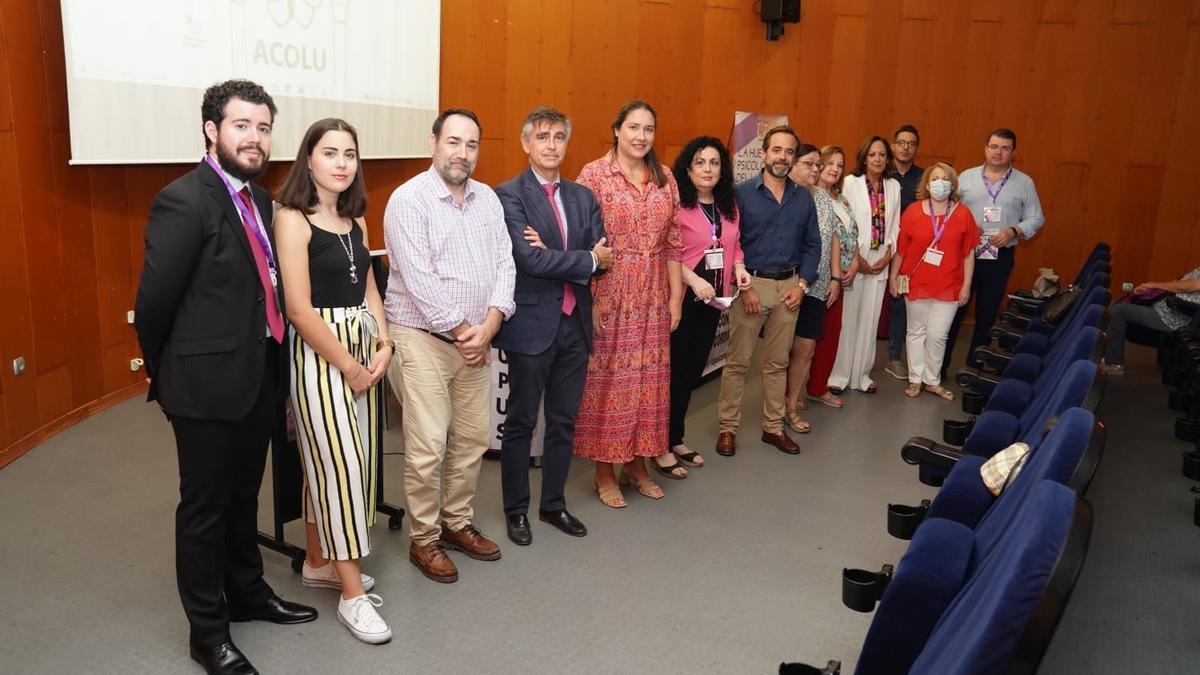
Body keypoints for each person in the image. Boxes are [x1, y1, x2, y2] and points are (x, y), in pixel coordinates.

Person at [134, 79, 317, 675]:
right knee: (205, 509)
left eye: (264, 127)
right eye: (242, 125)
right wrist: (168, 380)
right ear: (212, 130)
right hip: (204, 387)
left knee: (244, 498)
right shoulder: (184, 200)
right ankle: (207, 633)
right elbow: (154, 304)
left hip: (259, 374)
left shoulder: (261, 202)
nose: (256, 138)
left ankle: (249, 594)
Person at [383, 108, 516, 583]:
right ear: (433, 142)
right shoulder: (408, 200)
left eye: (472, 145)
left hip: (478, 340)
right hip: (422, 339)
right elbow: (419, 280)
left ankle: (456, 523)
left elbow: (506, 262)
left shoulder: (488, 200)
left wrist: (493, 321)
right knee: (427, 446)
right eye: (454, 142)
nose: (463, 153)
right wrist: (468, 333)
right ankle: (424, 539)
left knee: (473, 440)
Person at [273, 118, 391, 644]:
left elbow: (368, 288)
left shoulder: (354, 220)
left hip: (363, 349)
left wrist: (384, 343)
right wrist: (350, 365)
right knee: (339, 465)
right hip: (324, 355)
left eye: (350, 153)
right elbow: (298, 309)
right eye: (330, 152)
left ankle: (319, 562)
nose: (342, 163)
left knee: (344, 461)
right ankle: (351, 597)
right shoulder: (293, 219)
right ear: (309, 159)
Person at [493, 107, 611, 545]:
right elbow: (530, 260)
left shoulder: (583, 197)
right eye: (542, 137)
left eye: (559, 137)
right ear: (526, 144)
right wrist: (583, 258)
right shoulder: (508, 196)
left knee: (563, 421)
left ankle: (553, 506)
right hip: (530, 327)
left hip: (575, 325)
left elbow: (605, 258)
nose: (551, 145)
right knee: (522, 422)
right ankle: (516, 510)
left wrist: (567, 257)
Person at [574, 100, 684, 508]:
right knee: (609, 386)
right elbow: (582, 242)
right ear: (617, 129)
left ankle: (637, 464)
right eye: (633, 127)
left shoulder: (665, 177)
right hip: (610, 290)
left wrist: (675, 298)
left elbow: (674, 242)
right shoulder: (594, 175)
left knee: (648, 386)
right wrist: (590, 300)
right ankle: (604, 471)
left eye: (649, 129)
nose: (641, 136)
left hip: (654, 293)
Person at [715, 126, 821, 457]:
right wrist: (744, 285)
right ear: (764, 153)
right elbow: (731, 243)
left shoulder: (803, 197)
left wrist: (802, 285)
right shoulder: (740, 194)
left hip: (790, 288)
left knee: (777, 363)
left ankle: (773, 428)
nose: (782, 157)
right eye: (777, 150)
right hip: (751, 286)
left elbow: (812, 244)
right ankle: (727, 429)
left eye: (789, 152)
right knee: (738, 362)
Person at [668, 136, 750, 473]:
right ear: (688, 168)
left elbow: (736, 245)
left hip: (713, 301)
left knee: (691, 372)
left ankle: (675, 437)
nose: (707, 169)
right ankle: (658, 443)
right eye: (700, 162)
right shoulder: (676, 206)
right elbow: (666, 252)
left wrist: (740, 268)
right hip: (682, 299)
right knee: (672, 373)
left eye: (714, 163)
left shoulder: (728, 207)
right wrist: (692, 279)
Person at [942, 128, 1045, 379]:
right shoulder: (966, 178)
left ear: (1013, 152)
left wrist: (1014, 230)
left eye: (1005, 148)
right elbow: (947, 211)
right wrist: (964, 226)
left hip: (999, 257)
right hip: (964, 256)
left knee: (987, 315)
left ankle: (973, 368)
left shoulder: (1024, 182)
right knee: (953, 312)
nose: (998, 152)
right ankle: (938, 369)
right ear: (985, 148)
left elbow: (1037, 218)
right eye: (994, 146)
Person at [889, 163, 977, 400]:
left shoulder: (963, 214)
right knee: (915, 332)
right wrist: (893, 278)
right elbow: (901, 250)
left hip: (949, 284)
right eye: (936, 178)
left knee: (938, 334)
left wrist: (967, 285)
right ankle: (916, 379)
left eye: (946, 178)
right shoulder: (914, 211)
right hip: (916, 281)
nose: (941, 183)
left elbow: (969, 253)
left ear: (953, 185)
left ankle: (933, 380)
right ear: (927, 184)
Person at [829, 135, 900, 394]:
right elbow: (844, 222)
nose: (878, 159)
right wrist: (858, 259)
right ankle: (839, 375)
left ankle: (862, 375)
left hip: (880, 261)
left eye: (882, 155)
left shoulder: (894, 186)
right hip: (853, 261)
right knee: (849, 320)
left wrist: (888, 256)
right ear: (864, 157)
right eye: (872, 154)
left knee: (870, 322)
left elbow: (895, 226)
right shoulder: (849, 182)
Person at [783, 143, 831, 433]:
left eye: (818, 164)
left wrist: (835, 278)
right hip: (787, 284)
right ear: (793, 164)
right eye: (809, 163)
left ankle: (791, 405)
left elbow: (832, 240)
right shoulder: (784, 195)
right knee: (779, 351)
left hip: (817, 284)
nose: (816, 169)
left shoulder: (824, 198)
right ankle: (776, 406)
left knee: (806, 346)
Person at [806, 146, 859, 409]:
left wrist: (855, 261)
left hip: (839, 277)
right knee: (802, 340)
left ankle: (818, 387)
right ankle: (789, 393)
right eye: (829, 163)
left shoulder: (842, 200)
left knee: (830, 334)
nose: (834, 169)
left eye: (840, 165)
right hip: (814, 277)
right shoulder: (808, 196)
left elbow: (850, 235)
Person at [1100, 270, 1200, 374]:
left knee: (1119, 310)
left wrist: (1154, 285)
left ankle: (1114, 363)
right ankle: (1103, 356)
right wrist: (1150, 289)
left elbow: (1188, 286)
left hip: (1171, 318)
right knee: (1114, 305)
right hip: (1162, 308)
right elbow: (1179, 282)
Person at [884, 124, 924, 381]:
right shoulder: (881, 171)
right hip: (879, 247)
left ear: (916, 148)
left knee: (900, 304)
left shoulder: (923, 177)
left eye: (910, 143)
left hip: (909, 250)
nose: (905, 147)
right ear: (893, 145)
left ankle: (894, 358)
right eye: (901, 142)